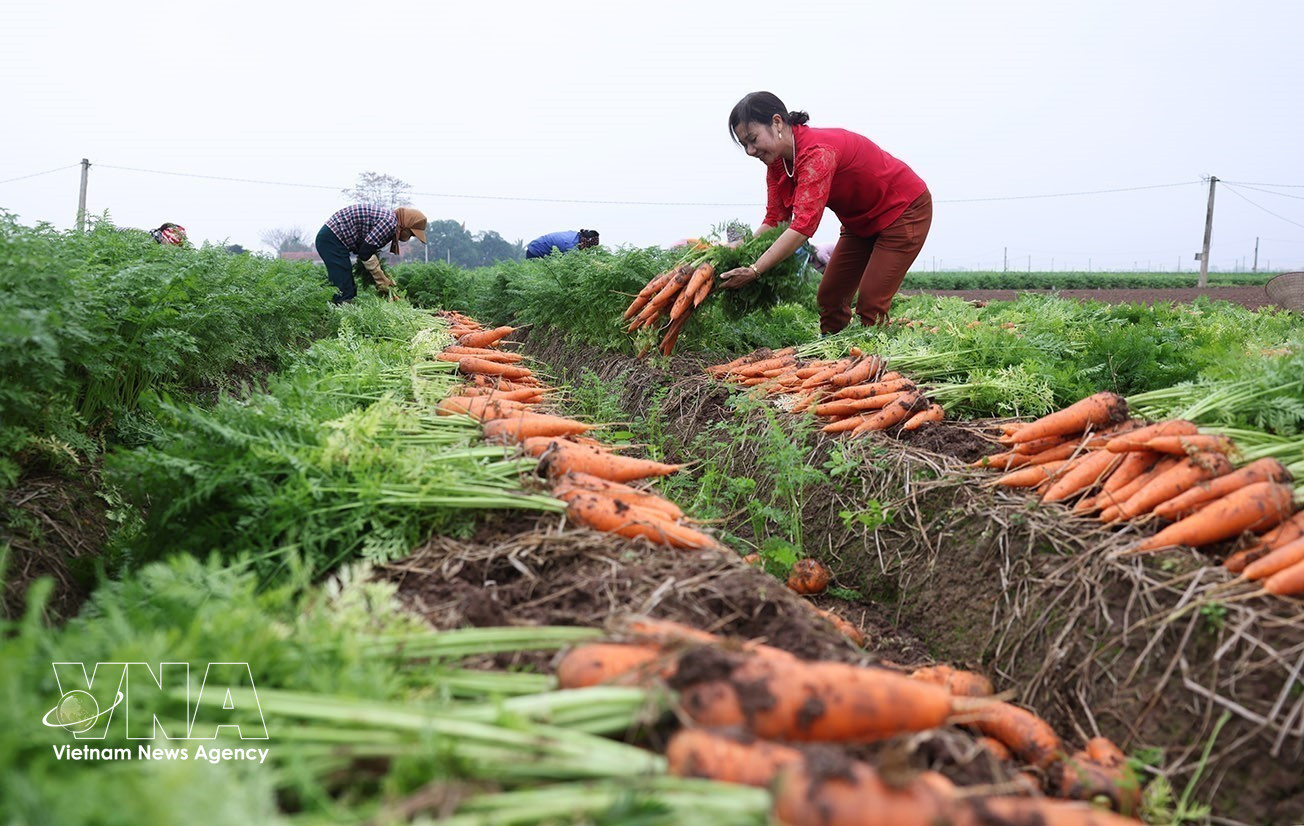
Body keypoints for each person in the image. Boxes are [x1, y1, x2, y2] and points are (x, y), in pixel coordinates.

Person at [718, 91, 933, 334]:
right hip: (859, 224)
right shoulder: (778, 163)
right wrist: (742, 249)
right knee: (830, 298)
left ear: (777, 122)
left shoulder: (817, 153)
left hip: (903, 211)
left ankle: (874, 364)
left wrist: (755, 270)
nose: (750, 150)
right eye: (744, 144)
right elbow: (775, 219)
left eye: (753, 139)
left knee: (871, 304)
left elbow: (802, 228)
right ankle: (832, 359)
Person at [315, 204, 427, 304]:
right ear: (406, 225)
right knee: (343, 286)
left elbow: (367, 249)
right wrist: (381, 280)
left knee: (348, 285)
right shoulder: (389, 223)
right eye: (411, 233)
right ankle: (340, 316)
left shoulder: (389, 220)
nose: (410, 237)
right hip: (331, 238)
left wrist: (382, 276)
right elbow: (365, 253)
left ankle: (344, 310)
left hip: (335, 239)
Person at [525, 229, 599, 259]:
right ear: (584, 242)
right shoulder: (570, 245)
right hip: (536, 251)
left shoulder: (577, 235)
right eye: (588, 247)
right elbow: (566, 264)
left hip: (541, 248)